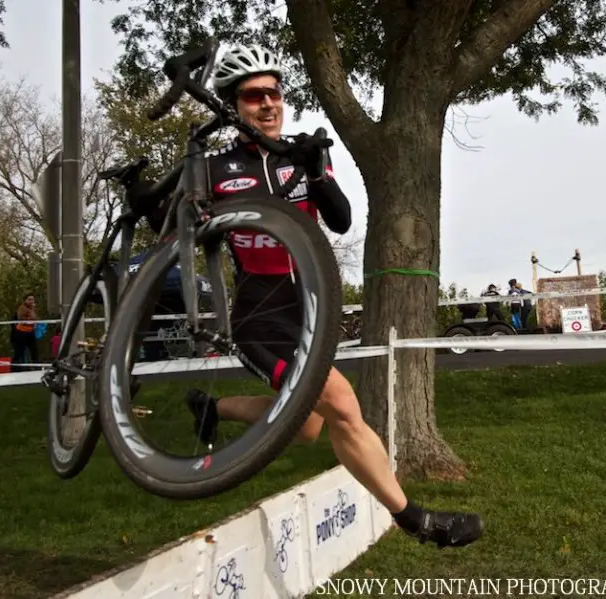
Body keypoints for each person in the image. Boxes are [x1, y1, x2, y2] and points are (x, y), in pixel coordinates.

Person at [183, 44, 484, 548]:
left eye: (274, 92)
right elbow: (182, 228)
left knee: (306, 427)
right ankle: (417, 520)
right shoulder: (216, 168)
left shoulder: (302, 151)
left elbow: (341, 219)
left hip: (311, 310)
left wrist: (317, 171)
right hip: (263, 315)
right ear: (234, 106)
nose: (267, 104)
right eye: (253, 96)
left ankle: (215, 409)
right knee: (343, 404)